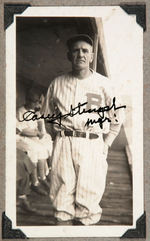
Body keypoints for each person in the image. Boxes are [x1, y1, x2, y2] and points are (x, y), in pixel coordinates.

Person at [42, 34, 125, 225]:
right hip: (64, 142)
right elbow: (46, 116)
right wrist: (58, 139)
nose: (80, 54)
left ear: (92, 55)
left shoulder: (104, 84)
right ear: (69, 55)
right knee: (61, 198)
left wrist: (106, 144)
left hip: (92, 143)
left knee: (88, 200)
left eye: (85, 50)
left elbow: (117, 118)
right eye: (76, 50)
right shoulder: (57, 83)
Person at [16, 89, 53, 195]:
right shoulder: (21, 111)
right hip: (22, 138)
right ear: (27, 100)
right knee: (36, 149)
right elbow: (22, 131)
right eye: (33, 101)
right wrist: (37, 134)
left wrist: (39, 130)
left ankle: (43, 176)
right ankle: (35, 182)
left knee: (45, 146)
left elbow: (40, 127)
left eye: (37, 101)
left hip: (32, 137)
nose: (36, 104)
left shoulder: (33, 111)